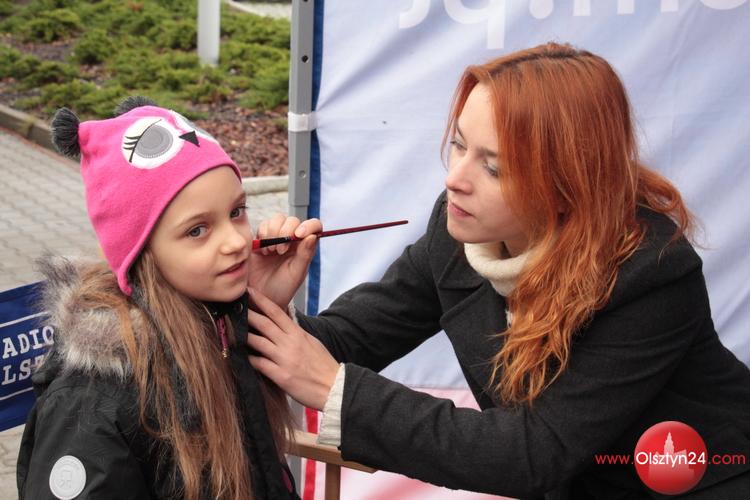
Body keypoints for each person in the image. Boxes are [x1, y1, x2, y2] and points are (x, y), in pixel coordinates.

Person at [245, 43, 750, 499]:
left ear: (567, 182)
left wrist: (335, 389)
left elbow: (533, 454)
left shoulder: (649, 275)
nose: (454, 179)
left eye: (493, 167)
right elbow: (349, 338)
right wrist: (262, 301)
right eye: (459, 144)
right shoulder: (459, 230)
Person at [16, 97, 304, 500]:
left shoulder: (222, 325)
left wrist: (263, 309)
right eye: (197, 230)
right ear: (140, 252)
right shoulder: (92, 400)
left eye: (237, 212)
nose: (236, 242)